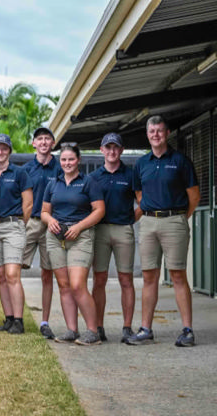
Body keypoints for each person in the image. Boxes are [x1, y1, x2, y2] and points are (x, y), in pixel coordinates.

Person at [127, 116, 200, 347]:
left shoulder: (180, 161)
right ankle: (146, 329)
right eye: (151, 131)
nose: (155, 135)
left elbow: (194, 196)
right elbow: (140, 195)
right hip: (148, 223)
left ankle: (187, 330)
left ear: (167, 133)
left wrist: (178, 218)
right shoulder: (141, 163)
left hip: (174, 221)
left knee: (178, 275)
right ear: (147, 135)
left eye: (159, 131)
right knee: (149, 277)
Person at [41, 143, 105, 346]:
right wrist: (49, 220)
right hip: (55, 238)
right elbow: (44, 211)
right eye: (63, 160)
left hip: (81, 237)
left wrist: (79, 226)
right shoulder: (53, 183)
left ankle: (93, 332)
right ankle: (71, 330)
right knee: (64, 285)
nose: (67, 163)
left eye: (71, 159)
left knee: (77, 284)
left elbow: (99, 210)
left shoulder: (88, 182)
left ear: (78, 160)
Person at [89, 133, 140, 342]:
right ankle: (98, 327)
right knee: (99, 279)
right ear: (101, 150)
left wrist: (130, 220)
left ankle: (127, 327)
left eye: (115, 147)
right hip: (100, 231)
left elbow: (142, 202)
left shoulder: (130, 174)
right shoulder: (93, 177)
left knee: (126, 279)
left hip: (123, 230)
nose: (111, 151)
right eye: (107, 147)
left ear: (121, 150)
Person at [0, 134, 33, 334]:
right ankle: (9, 318)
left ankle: (19, 320)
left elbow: (28, 204)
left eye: (4, 148)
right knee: (1, 275)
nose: (0, 152)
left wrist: (19, 224)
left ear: (9, 151)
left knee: (13, 274)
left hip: (13, 226)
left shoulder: (20, 173)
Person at [22, 127, 62, 339]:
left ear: (52, 143)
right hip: (30, 223)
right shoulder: (27, 169)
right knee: (13, 269)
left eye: (48, 138)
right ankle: (15, 316)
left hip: (52, 225)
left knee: (48, 274)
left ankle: (45, 321)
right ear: (34, 144)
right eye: (40, 139)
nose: (44, 142)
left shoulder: (61, 167)